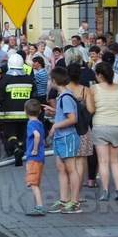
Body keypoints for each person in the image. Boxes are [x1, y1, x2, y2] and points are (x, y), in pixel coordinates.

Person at [86, 62, 118, 201]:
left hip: (100, 126)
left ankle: (105, 192)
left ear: (99, 75)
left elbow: (91, 110)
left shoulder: (94, 88)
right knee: (115, 161)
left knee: (103, 161)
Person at [46, 67, 82, 214]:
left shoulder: (66, 96)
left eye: (50, 80)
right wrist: (54, 112)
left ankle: (74, 202)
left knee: (71, 169)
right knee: (61, 169)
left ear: (55, 81)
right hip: (61, 137)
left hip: (67, 136)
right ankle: (64, 200)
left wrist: (55, 125)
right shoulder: (64, 96)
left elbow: (72, 119)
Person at [0, 54, 36, 166]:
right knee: (21, 136)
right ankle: (19, 150)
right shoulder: (29, 79)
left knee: (10, 135)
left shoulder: (5, 79)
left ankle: (16, 148)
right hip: (25, 115)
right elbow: (34, 97)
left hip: (8, 116)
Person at [66, 62, 97, 192]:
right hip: (82, 129)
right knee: (80, 161)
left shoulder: (64, 90)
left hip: (66, 129)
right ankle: (78, 192)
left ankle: (69, 190)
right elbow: (91, 110)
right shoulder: (85, 90)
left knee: (68, 161)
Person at [24, 99, 46, 216]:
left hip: (34, 157)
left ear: (25, 112)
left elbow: (36, 135)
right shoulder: (39, 123)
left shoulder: (31, 124)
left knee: (33, 184)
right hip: (40, 158)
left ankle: (39, 206)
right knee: (35, 183)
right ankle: (38, 205)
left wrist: (35, 149)